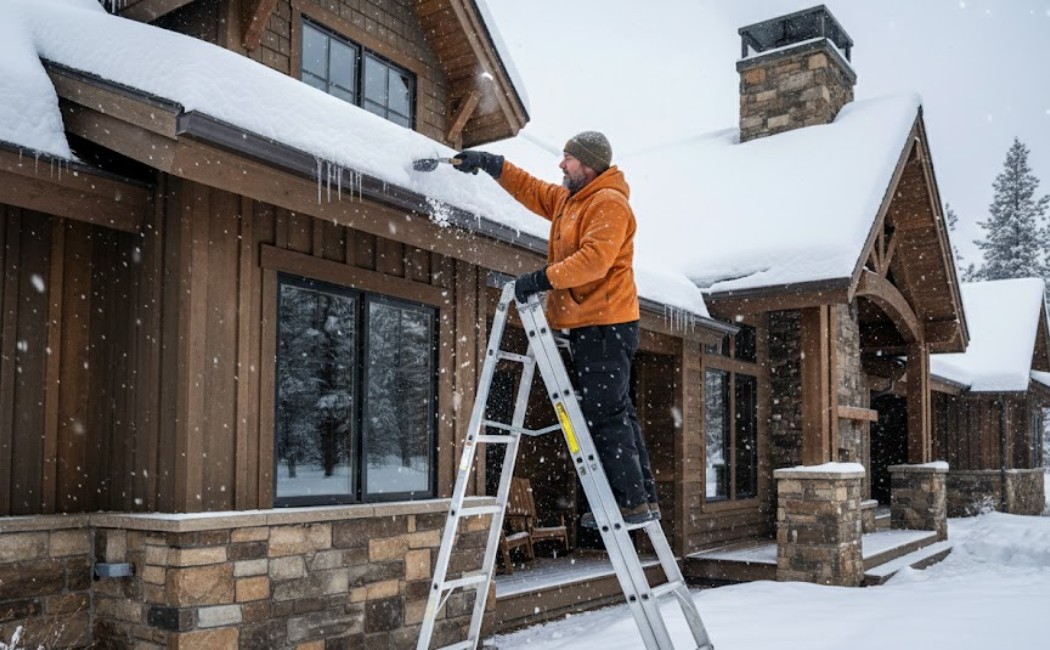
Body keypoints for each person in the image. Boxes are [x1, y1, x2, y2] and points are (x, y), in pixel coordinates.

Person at [453, 132, 659, 527]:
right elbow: (533, 190)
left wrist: (541, 279)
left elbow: (594, 262)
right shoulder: (572, 201)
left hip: (606, 323)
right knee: (618, 412)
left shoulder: (608, 203)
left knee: (605, 414)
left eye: (568, 159)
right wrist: (494, 165)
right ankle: (641, 499)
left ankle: (628, 504)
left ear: (589, 164)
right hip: (589, 323)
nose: (561, 165)